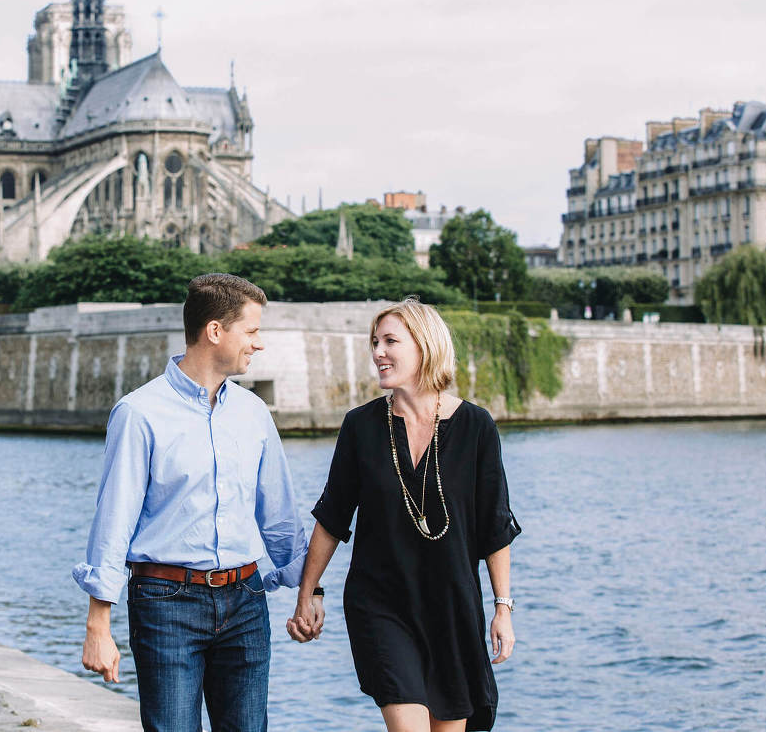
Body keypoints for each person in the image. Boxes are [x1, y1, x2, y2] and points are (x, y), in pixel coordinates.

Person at [73, 273, 308, 732]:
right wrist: (98, 627)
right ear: (215, 331)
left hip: (246, 600)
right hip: (166, 603)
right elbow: (113, 521)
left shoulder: (254, 413)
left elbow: (280, 518)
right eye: (252, 331)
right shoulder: (139, 413)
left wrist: (309, 591)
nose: (258, 344)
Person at [287, 297, 520, 732]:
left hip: (452, 607)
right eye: (374, 342)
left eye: (390, 341)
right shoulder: (360, 426)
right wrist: (308, 593)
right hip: (380, 605)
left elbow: (495, 527)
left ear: (424, 346)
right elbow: (332, 517)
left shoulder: (476, 427)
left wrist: (502, 607)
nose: (377, 352)